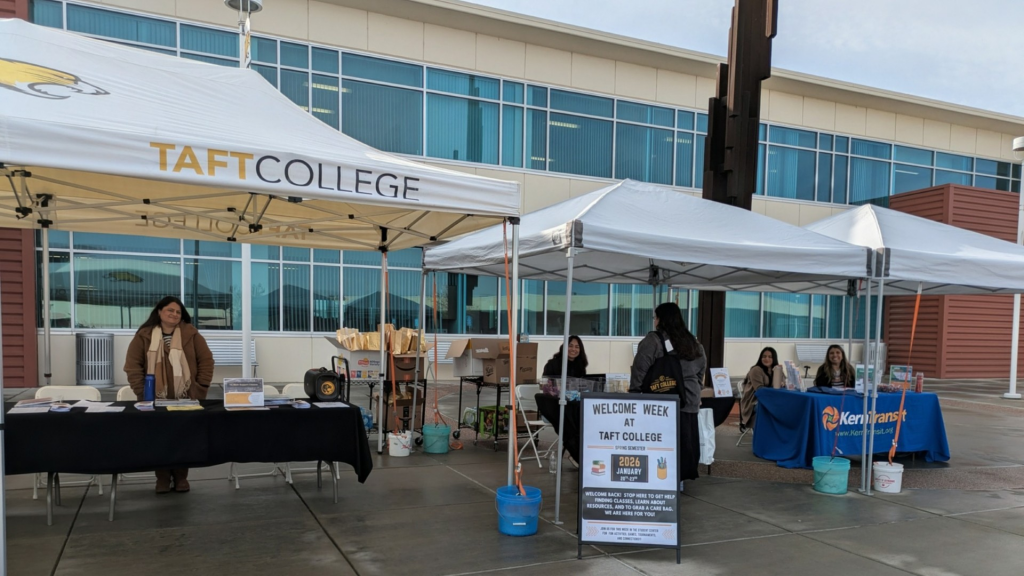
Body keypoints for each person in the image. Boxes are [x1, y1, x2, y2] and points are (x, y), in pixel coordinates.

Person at [124, 296, 214, 494]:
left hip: (187, 397)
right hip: (154, 398)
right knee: (160, 437)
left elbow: (206, 361)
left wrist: (200, 387)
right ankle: (162, 478)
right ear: (159, 312)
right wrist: (142, 392)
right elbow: (132, 366)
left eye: (178, 312)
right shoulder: (144, 335)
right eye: (170, 310)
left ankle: (181, 477)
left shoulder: (191, 334)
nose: (174, 314)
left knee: (184, 437)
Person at [629, 303, 706, 487]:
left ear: (661, 319)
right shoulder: (693, 343)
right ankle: (679, 481)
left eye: (656, 317)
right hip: (689, 402)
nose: (654, 321)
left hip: (661, 404)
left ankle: (662, 482)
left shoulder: (654, 340)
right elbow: (700, 372)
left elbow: (639, 369)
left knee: (663, 444)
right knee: (686, 444)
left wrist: (635, 393)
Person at [739, 347, 786, 433]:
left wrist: (783, 383)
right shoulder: (756, 370)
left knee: (787, 407)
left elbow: (784, 384)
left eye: (770, 357)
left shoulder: (778, 370)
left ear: (774, 358)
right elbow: (760, 390)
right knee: (773, 408)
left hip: (772, 400)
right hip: (755, 402)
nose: (766, 359)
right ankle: (767, 436)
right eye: (764, 356)